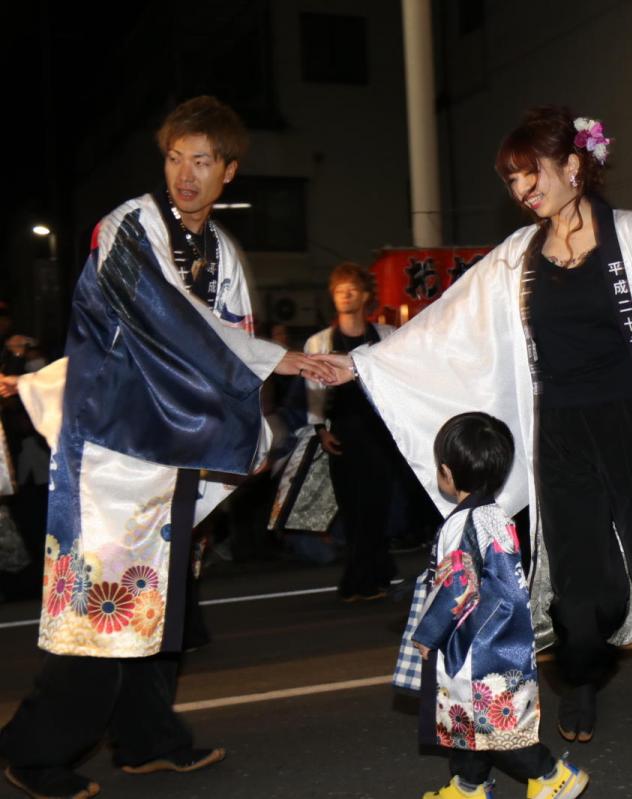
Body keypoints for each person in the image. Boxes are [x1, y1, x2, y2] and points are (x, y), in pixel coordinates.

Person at [318, 107, 632, 784]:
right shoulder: (518, 257)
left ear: (572, 166)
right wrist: (362, 365)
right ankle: (584, 674)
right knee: (579, 596)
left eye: (531, 172)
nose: (522, 190)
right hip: (561, 435)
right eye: (513, 179)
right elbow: (446, 322)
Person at [0, 96, 335, 799]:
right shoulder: (128, 228)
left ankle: (146, 739)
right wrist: (268, 359)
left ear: (229, 172)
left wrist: (256, 417)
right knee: (103, 604)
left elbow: (230, 343)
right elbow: (166, 320)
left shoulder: (224, 254)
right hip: (113, 453)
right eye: (176, 158)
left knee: (166, 604)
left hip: (175, 454)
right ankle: (31, 751)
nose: (186, 174)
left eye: (203, 161)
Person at [398, 412, 588, 799]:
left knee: (496, 732)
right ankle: (468, 787)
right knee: (470, 725)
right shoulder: (496, 516)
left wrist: (428, 634)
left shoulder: (462, 523)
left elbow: (457, 584)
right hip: (505, 637)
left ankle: (553, 775)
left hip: (474, 649)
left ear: (447, 473)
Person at [303, 262, 405, 601]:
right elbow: (312, 392)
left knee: (378, 506)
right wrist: (319, 428)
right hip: (342, 430)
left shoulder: (387, 335)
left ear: (365, 296)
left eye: (352, 290)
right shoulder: (319, 342)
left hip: (380, 432)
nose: (345, 296)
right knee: (351, 507)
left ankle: (365, 578)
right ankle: (369, 575)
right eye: (338, 290)